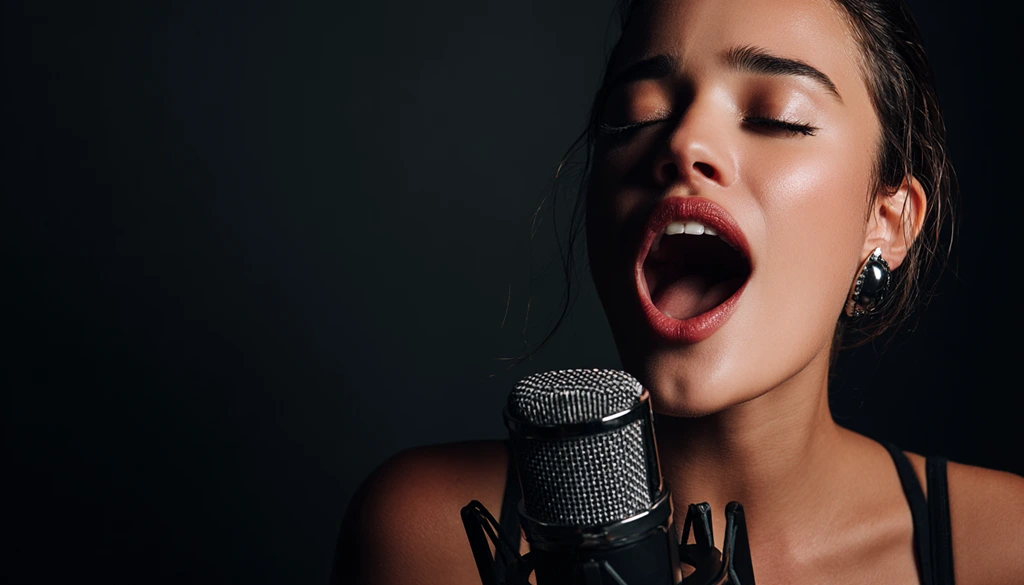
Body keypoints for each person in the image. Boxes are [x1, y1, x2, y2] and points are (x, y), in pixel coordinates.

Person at [332, 0, 1024, 583]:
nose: (685, 140)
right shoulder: (426, 538)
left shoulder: (1006, 547)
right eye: (637, 117)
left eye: (777, 116)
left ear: (886, 220)